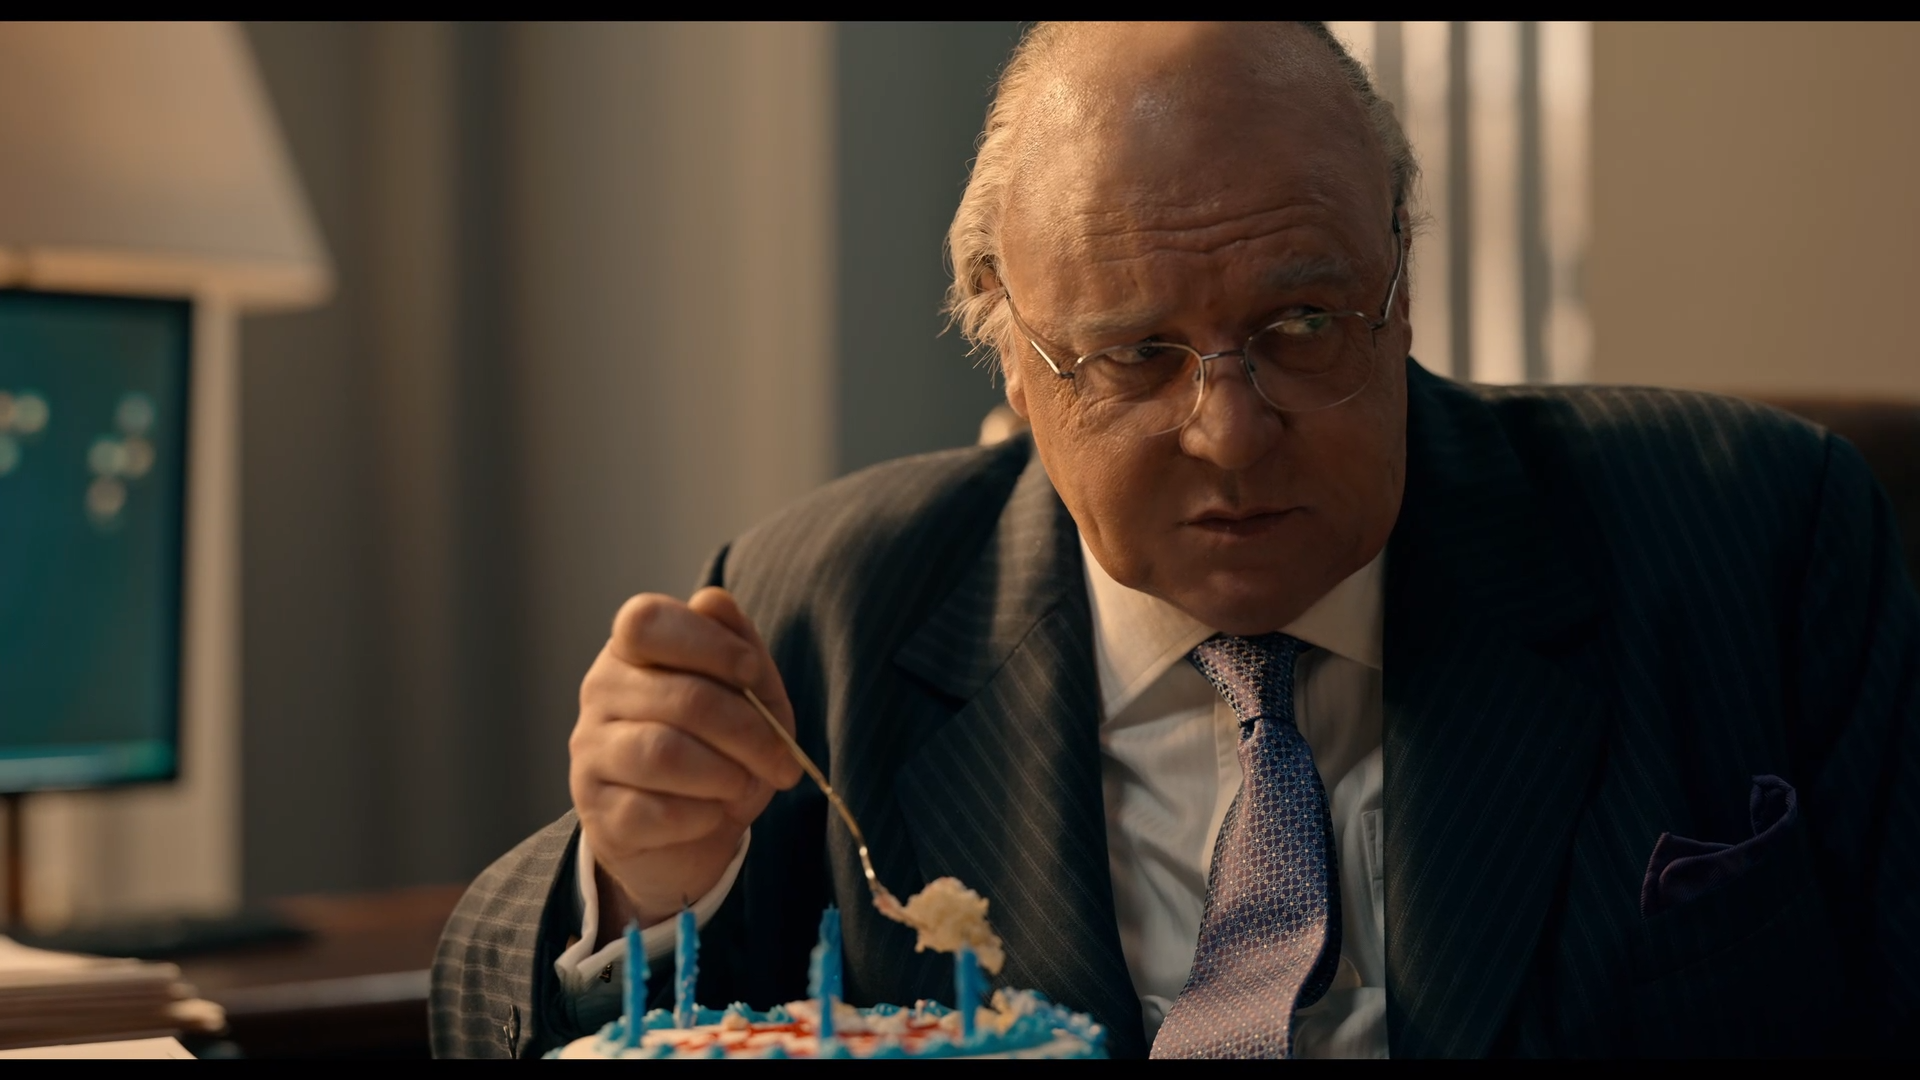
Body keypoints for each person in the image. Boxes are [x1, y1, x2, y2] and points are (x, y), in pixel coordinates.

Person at [430, 22, 1920, 1058]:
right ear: (1015, 368)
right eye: (1136, 356)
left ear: (1401, 294)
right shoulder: (827, 609)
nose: (1231, 431)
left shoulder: (1748, 535)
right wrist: (634, 883)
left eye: (1304, 324)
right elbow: (493, 1007)